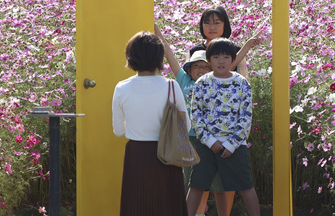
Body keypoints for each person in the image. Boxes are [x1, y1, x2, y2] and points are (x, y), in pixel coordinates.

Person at [112, 31, 189, 216]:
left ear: (131, 57)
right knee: (168, 205)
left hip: (136, 154)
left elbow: (118, 131)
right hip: (168, 153)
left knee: (137, 205)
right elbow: (186, 126)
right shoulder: (171, 86)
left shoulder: (122, 87)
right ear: (159, 58)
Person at [185, 38, 261, 216]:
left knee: (246, 187)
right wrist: (210, 141)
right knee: (196, 186)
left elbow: (246, 117)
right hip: (205, 146)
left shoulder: (242, 83)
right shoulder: (202, 83)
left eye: (226, 57)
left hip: (234, 147)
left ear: (233, 60)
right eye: (216, 56)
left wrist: (231, 144)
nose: (221, 61)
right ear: (209, 60)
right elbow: (195, 115)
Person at [157, 29, 216, 216]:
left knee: (202, 181)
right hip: (185, 139)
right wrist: (156, 28)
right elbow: (168, 51)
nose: (202, 70)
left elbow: (233, 61)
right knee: (185, 180)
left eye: (206, 66)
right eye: (197, 66)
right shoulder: (183, 80)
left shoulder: (215, 82)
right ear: (188, 69)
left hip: (206, 139)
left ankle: (198, 213)